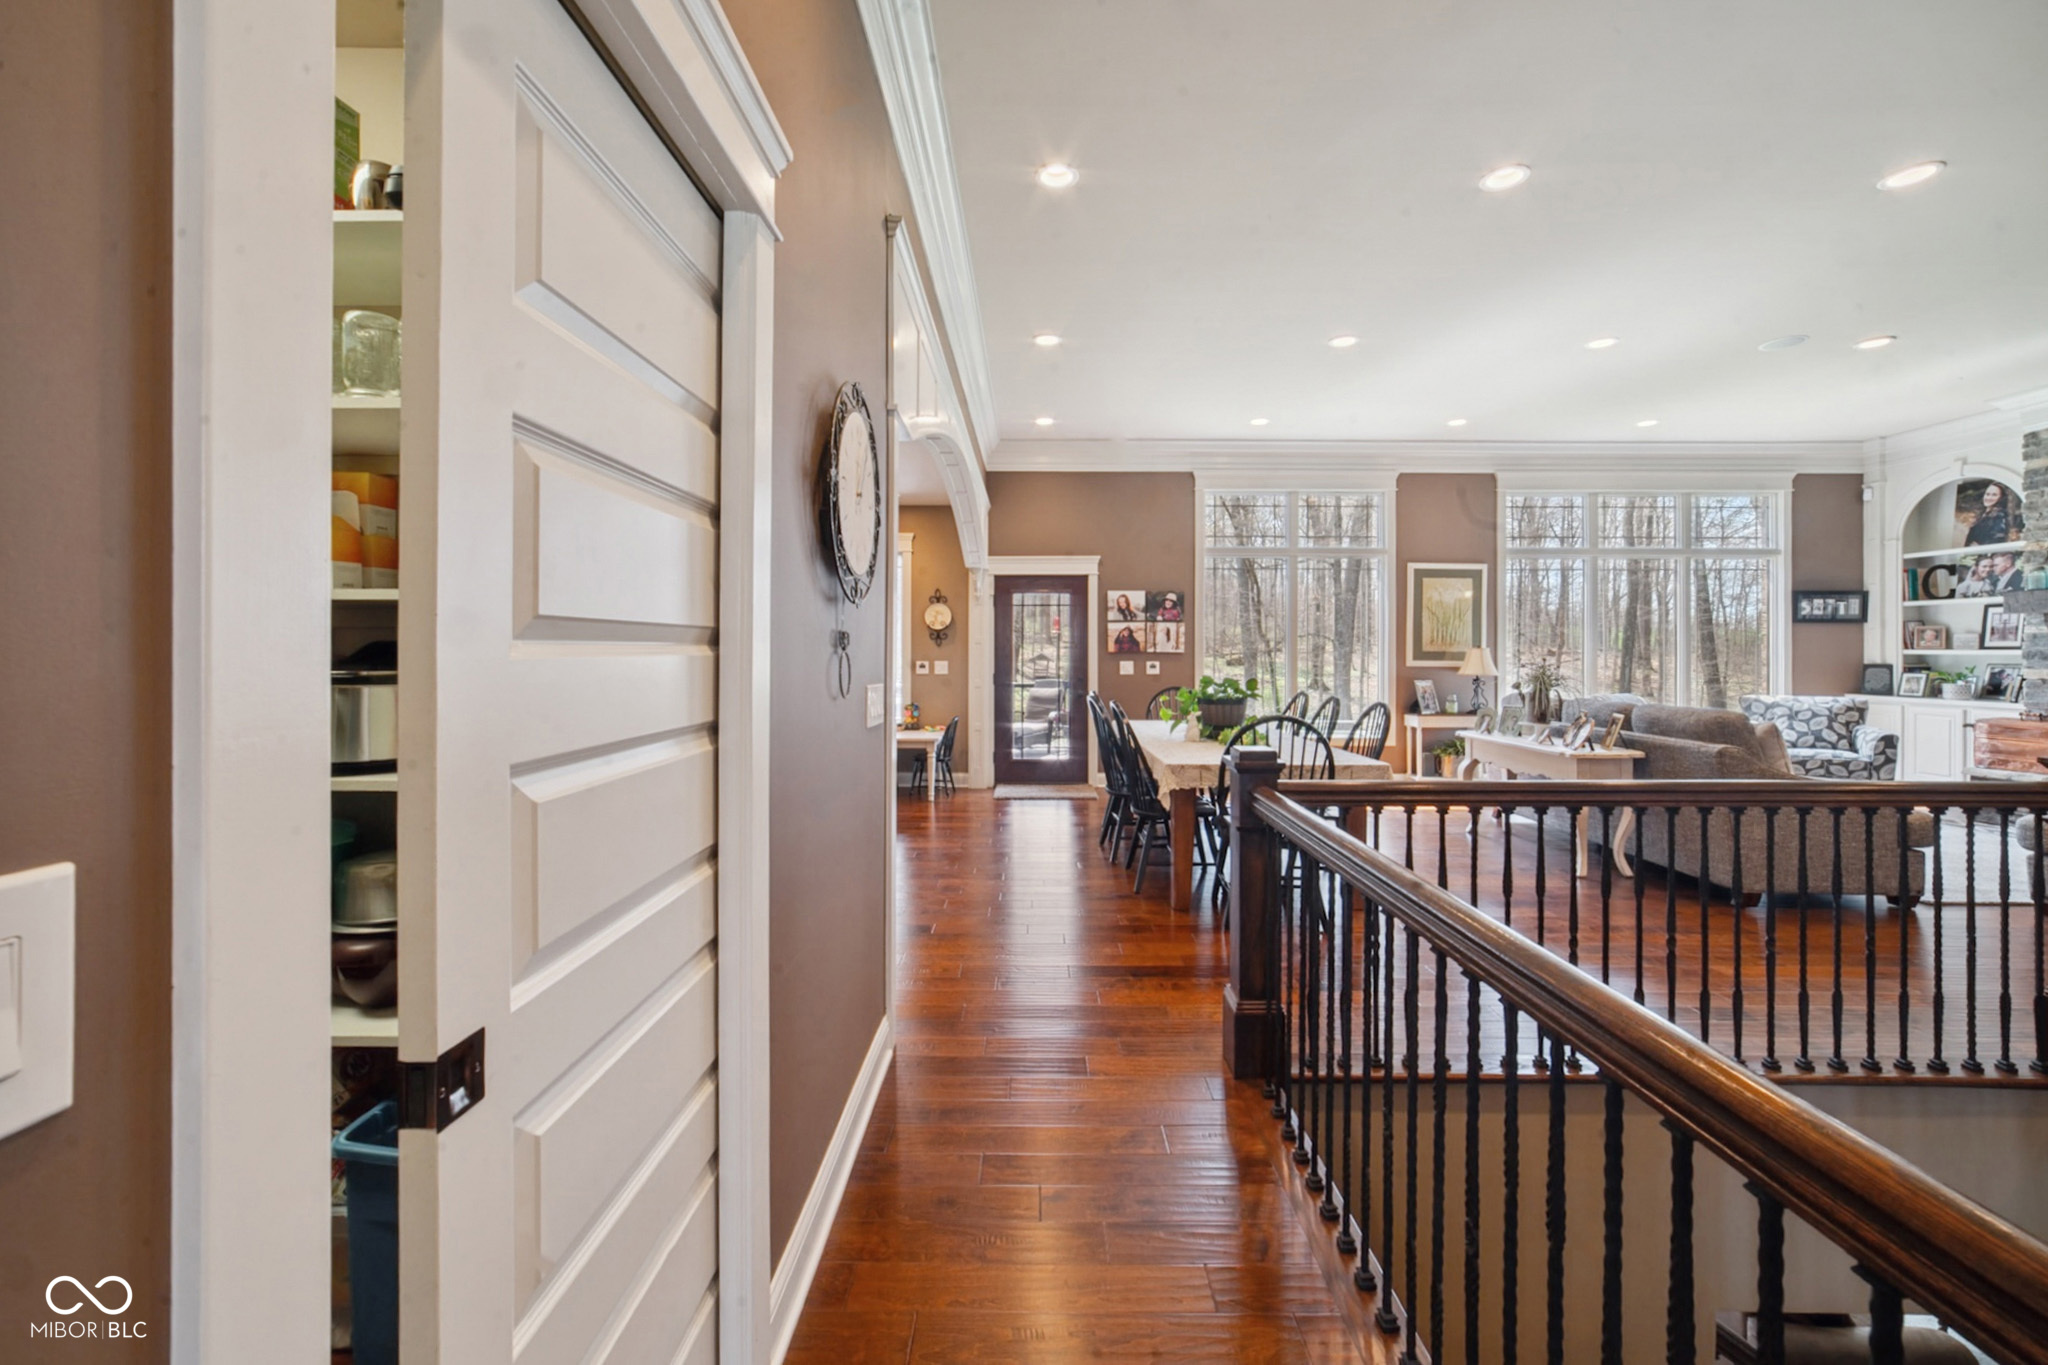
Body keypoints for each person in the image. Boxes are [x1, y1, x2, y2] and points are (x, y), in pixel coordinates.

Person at [1965, 482, 2015, 547]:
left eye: (1994, 495)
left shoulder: (1999, 516)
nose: (1989, 498)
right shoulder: (1982, 514)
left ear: (2001, 498)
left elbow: (1997, 540)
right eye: (1987, 494)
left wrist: (1979, 547)